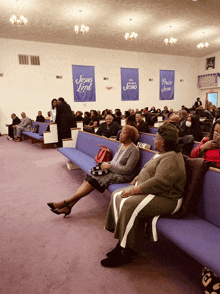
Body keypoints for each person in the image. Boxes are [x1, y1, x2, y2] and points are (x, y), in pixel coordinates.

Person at [101, 123, 186, 267]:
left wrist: (134, 190)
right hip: (156, 192)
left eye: (156, 138)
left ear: (163, 142)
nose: (154, 141)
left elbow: (160, 182)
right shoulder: (163, 153)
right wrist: (137, 178)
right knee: (117, 195)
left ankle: (126, 251)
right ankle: (122, 240)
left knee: (129, 204)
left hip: (168, 198)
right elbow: (149, 168)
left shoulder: (171, 158)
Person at [47, 125, 140, 217]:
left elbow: (128, 170)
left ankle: (65, 202)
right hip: (113, 171)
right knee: (90, 178)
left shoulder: (134, 150)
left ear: (130, 137)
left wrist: (109, 166)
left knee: (93, 180)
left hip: (124, 176)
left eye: (123, 133)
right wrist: (105, 164)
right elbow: (114, 161)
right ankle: (68, 206)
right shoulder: (121, 146)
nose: (120, 135)